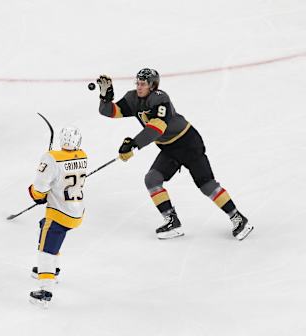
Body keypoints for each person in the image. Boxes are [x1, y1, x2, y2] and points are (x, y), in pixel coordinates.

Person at [96, 69, 253, 240]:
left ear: (153, 85)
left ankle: (238, 218)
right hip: (169, 148)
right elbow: (111, 111)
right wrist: (105, 98)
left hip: (188, 143)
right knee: (152, 179)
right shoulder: (133, 98)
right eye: (137, 83)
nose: (139, 87)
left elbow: (158, 126)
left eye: (143, 84)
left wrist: (134, 144)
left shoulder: (160, 98)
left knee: (206, 185)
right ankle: (172, 220)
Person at [28, 126, 87, 308]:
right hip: (77, 212)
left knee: (46, 249)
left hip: (59, 212)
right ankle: (54, 269)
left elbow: (40, 188)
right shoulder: (83, 155)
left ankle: (45, 291)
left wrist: (36, 195)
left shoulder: (52, 158)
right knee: (46, 227)